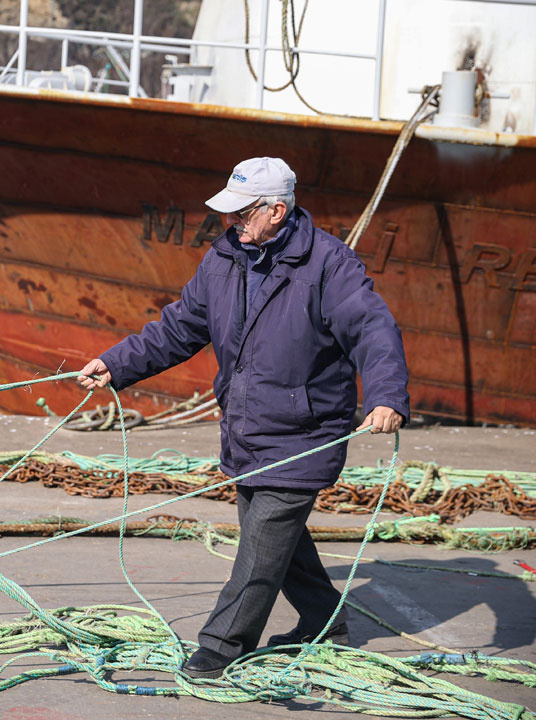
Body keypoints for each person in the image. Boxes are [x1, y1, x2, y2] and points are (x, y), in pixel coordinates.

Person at [77, 157, 409, 679]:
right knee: (279, 543)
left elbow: (373, 330)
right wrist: (115, 365)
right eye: (229, 213)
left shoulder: (328, 263)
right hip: (246, 428)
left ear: (277, 211)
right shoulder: (224, 257)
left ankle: (222, 647)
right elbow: (179, 328)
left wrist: (387, 396)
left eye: (242, 213)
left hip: (305, 433)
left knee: (259, 550)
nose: (231, 222)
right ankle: (329, 624)